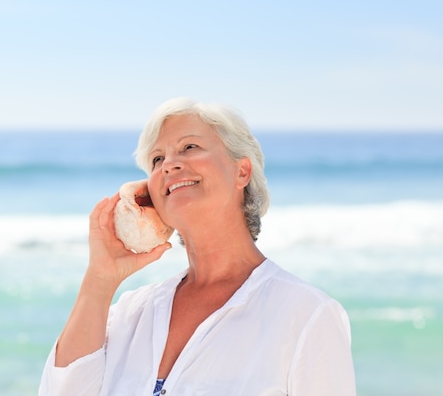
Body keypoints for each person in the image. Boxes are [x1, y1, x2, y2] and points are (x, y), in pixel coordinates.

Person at [38, 98, 357, 396]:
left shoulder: (306, 314)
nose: (168, 165)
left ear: (241, 171)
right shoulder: (130, 313)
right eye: (157, 159)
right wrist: (100, 279)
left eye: (189, 147)